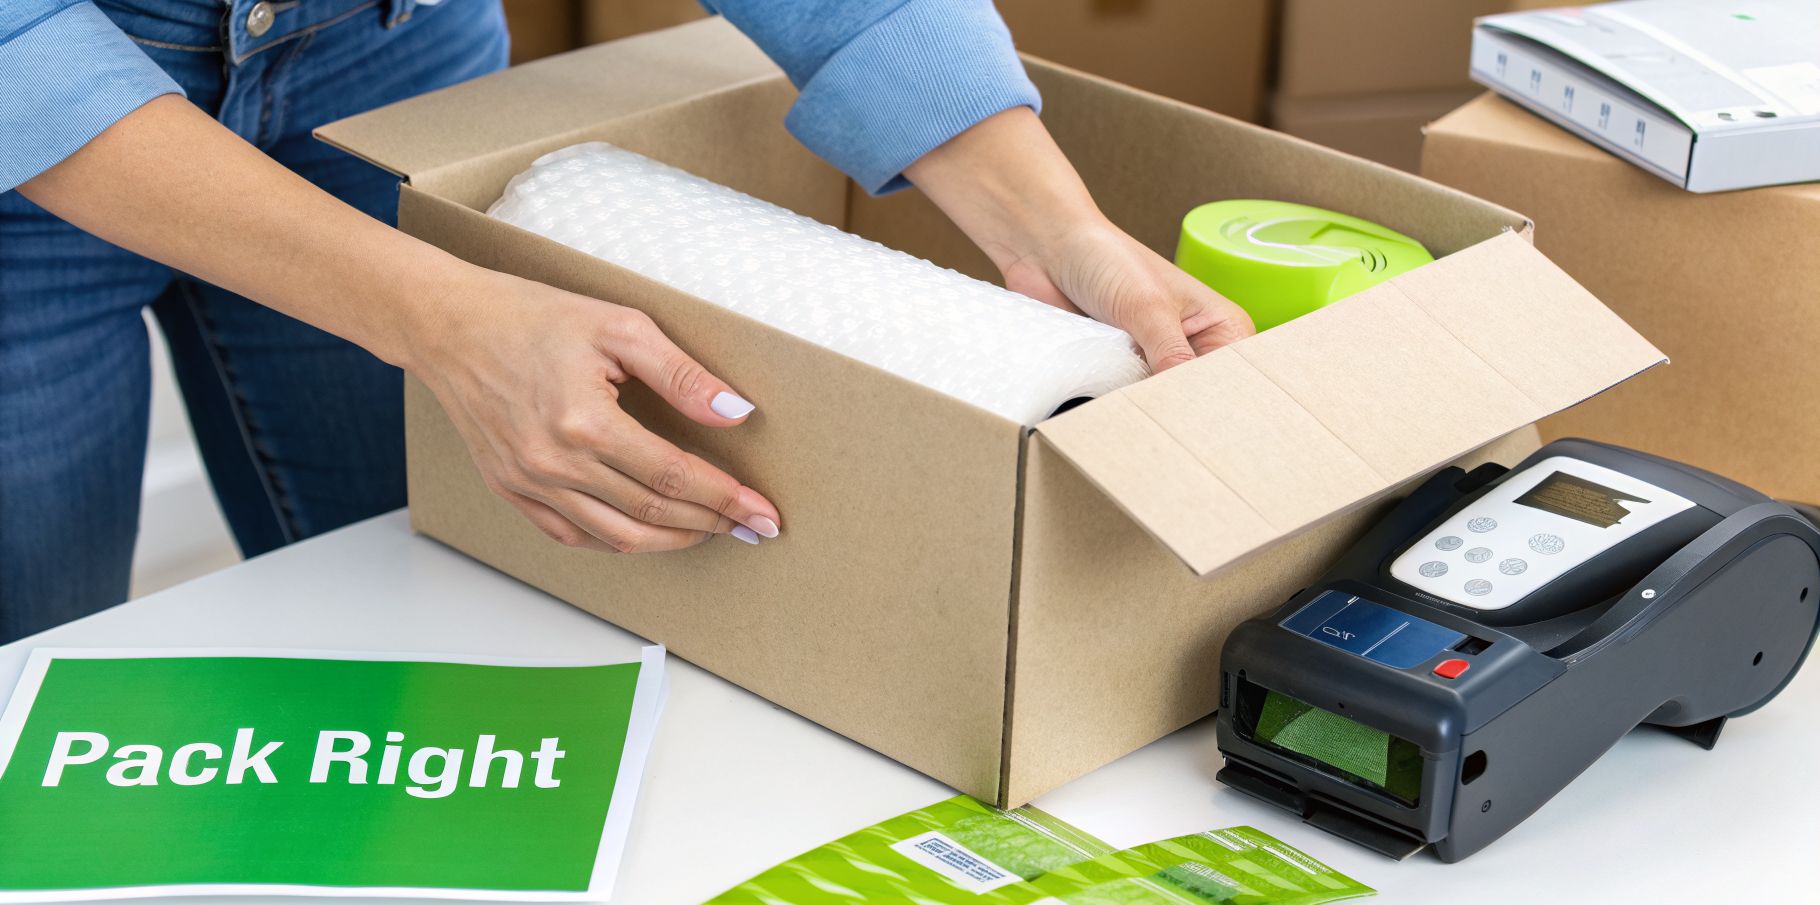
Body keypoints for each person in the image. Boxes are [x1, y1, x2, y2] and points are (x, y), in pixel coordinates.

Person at [0, 0, 1254, 644]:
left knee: (447, 585)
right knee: (26, 647)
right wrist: (440, 317)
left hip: (378, 48)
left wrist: (1058, 231)